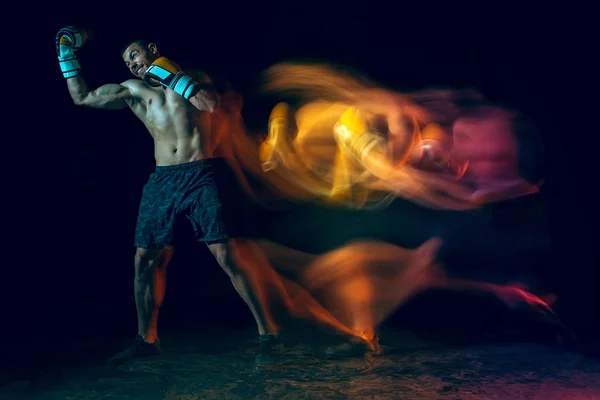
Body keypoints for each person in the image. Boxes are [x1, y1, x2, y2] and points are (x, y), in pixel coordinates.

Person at [56, 26, 293, 362]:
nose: (133, 65)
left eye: (135, 55)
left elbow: (209, 104)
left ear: (151, 49)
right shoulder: (134, 90)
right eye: (128, 62)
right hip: (163, 180)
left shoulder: (195, 78)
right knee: (144, 261)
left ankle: (269, 335)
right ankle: (146, 341)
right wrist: (68, 58)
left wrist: (171, 75)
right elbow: (83, 98)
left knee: (227, 256)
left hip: (200, 174)